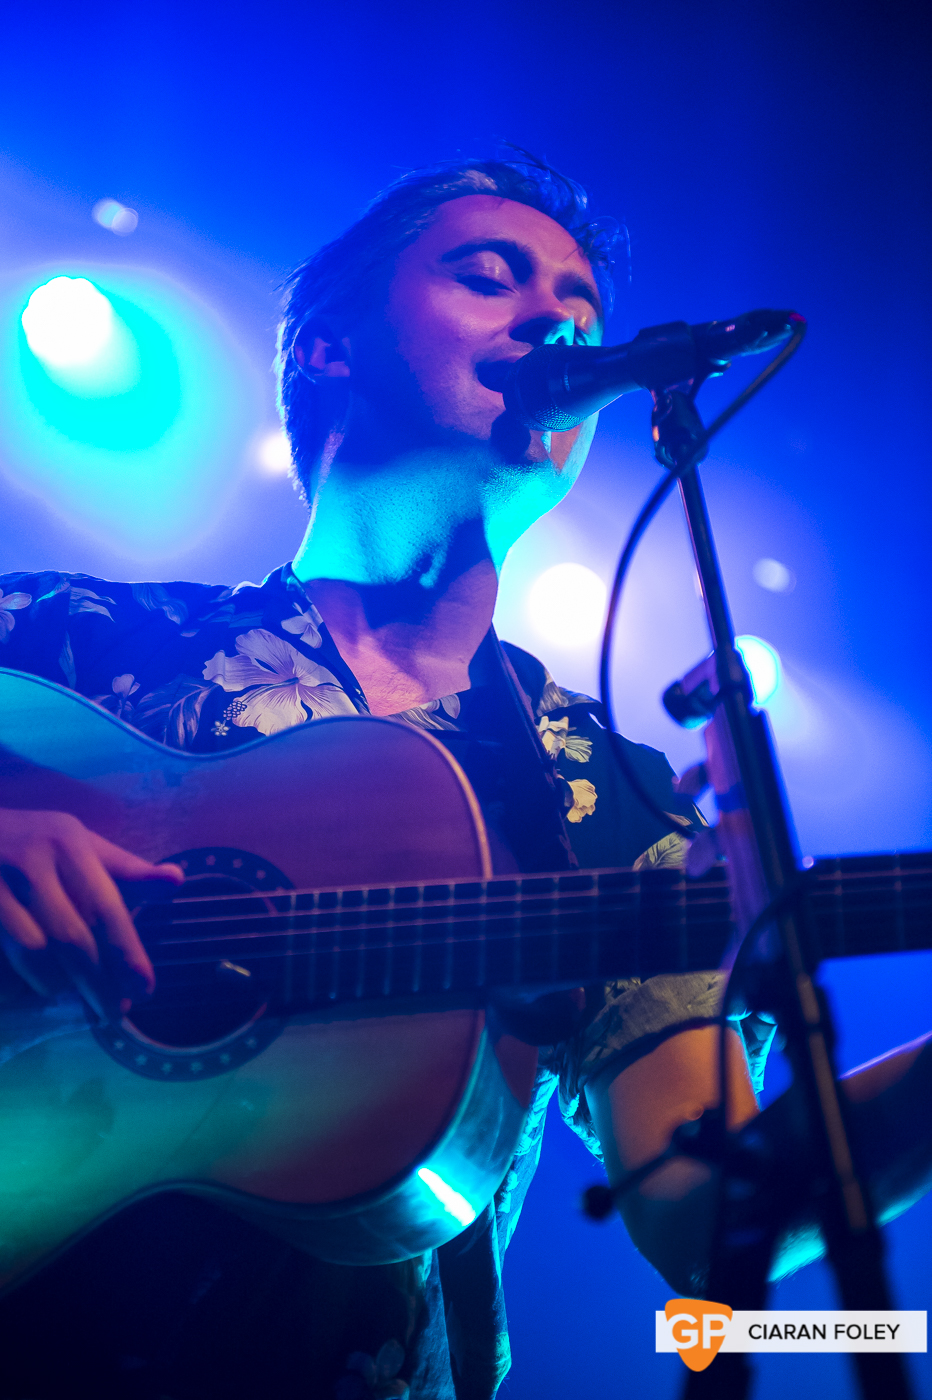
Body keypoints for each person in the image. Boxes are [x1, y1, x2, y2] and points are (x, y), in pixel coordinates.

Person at [0, 155, 929, 1400]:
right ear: (327, 351)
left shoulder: (610, 796)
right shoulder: (65, 639)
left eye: (581, 314)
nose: (555, 320)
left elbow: (705, 1215)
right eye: (488, 277)